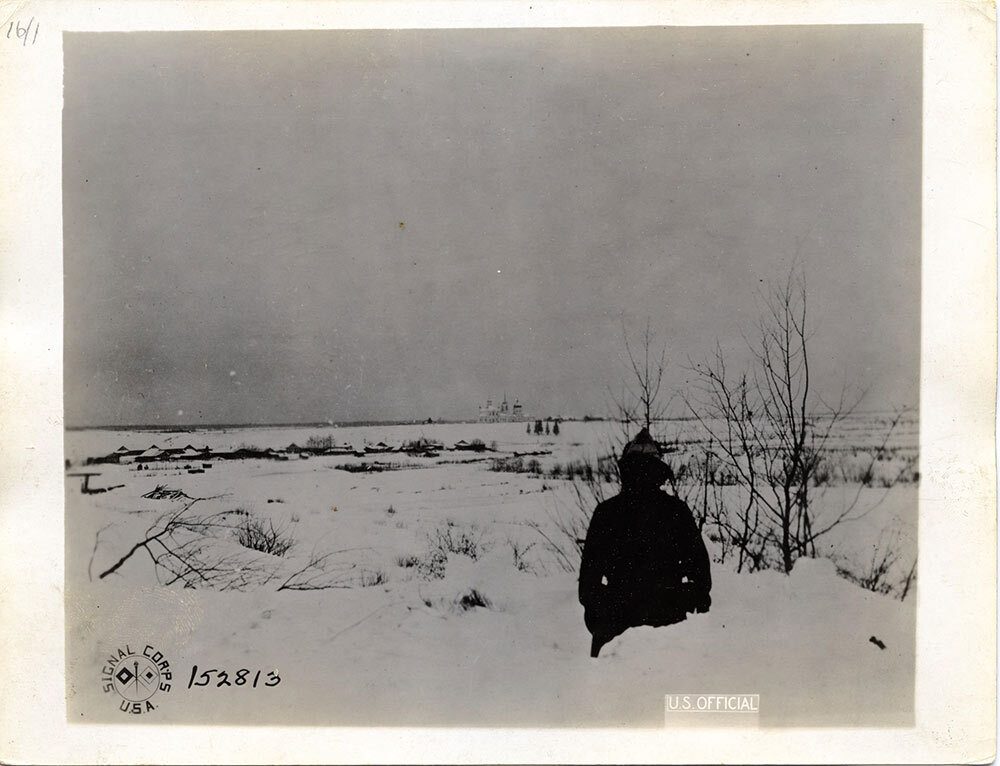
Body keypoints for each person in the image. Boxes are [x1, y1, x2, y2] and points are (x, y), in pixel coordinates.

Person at [578, 428, 712, 657]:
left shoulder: (607, 512)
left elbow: (588, 587)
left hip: (617, 635)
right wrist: (680, 606)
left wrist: (607, 621)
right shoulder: (676, 511)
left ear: (625, 470)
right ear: (659, 471)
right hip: (669, 635)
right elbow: (701, 581)